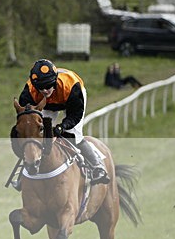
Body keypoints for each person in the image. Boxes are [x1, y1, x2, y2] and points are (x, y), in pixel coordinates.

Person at [15, 58, 110, 186]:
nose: (45, 91)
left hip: (69, 100)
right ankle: (25, 171)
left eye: (48, 86)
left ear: (54, 81)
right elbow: (27, 119)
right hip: (45, 104)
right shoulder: (29, 92)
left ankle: (97, 166)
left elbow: (75, 115)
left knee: (73, 135)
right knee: (37, 134)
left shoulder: (72, 87)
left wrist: (62, 127)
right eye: (41, 88)